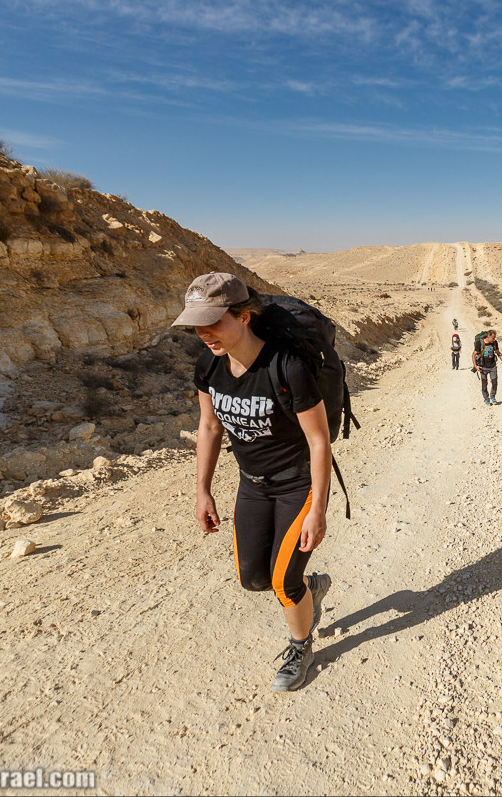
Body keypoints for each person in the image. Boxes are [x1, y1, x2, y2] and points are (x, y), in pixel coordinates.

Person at [174, 272, 333, 693]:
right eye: (197, 325)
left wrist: (318, 508)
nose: (204, 333)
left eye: (213, 322)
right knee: (254, 580)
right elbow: (209, 427)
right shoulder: (208, 365)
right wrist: (202, 490)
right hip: (252, 486)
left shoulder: (287, 366)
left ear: (244, 316)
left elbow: (319, 440)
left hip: (298, 487)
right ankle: (311, 592)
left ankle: (301, 645)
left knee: (283, 583)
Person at [472, 329, 502, 405]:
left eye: (495, 338)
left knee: (494, 382)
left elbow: (498, 353)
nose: (494, 339)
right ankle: (486, 398)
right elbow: (474, 355)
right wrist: (476, 366)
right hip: (483, 367)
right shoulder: (480, 343)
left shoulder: (494, 343)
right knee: (484, 384)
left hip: (492, 366)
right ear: (488, 337)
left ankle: (492, 396)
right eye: (493, 338)